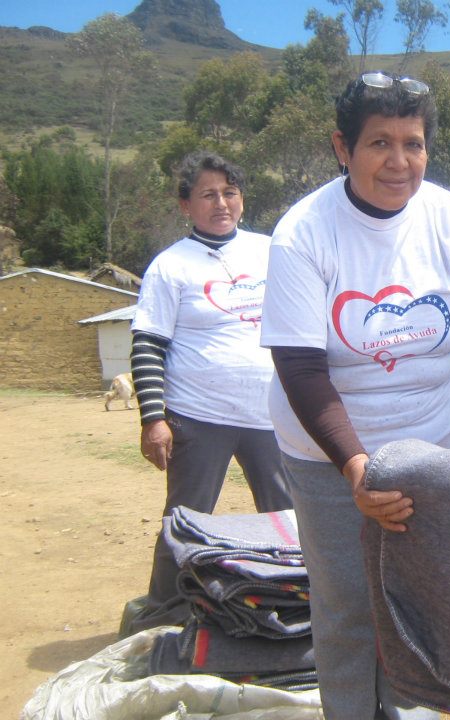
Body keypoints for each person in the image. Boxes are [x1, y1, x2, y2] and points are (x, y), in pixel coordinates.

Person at [259, 70, 450, 720]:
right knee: (349, 606)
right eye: (379, 143)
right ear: (343, 147)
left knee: (426, 593)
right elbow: (300, 367)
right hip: (327, 455)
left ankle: (412, 709)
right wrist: (355, 468)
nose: (399, 161)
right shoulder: (304, 234)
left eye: (413, 144)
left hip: (431, 447)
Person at [128, 151, 291, 634]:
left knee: (289, 519)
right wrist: (153, 418)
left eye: (229, 192)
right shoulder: (170, 266)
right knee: (184, 519)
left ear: (242, 199)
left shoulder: (270, 250)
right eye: (208, 194)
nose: (221, 203)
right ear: (186, 205)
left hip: (272, 415)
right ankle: (163, 616)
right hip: (199, 417)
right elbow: (148, 343)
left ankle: (295, 605)